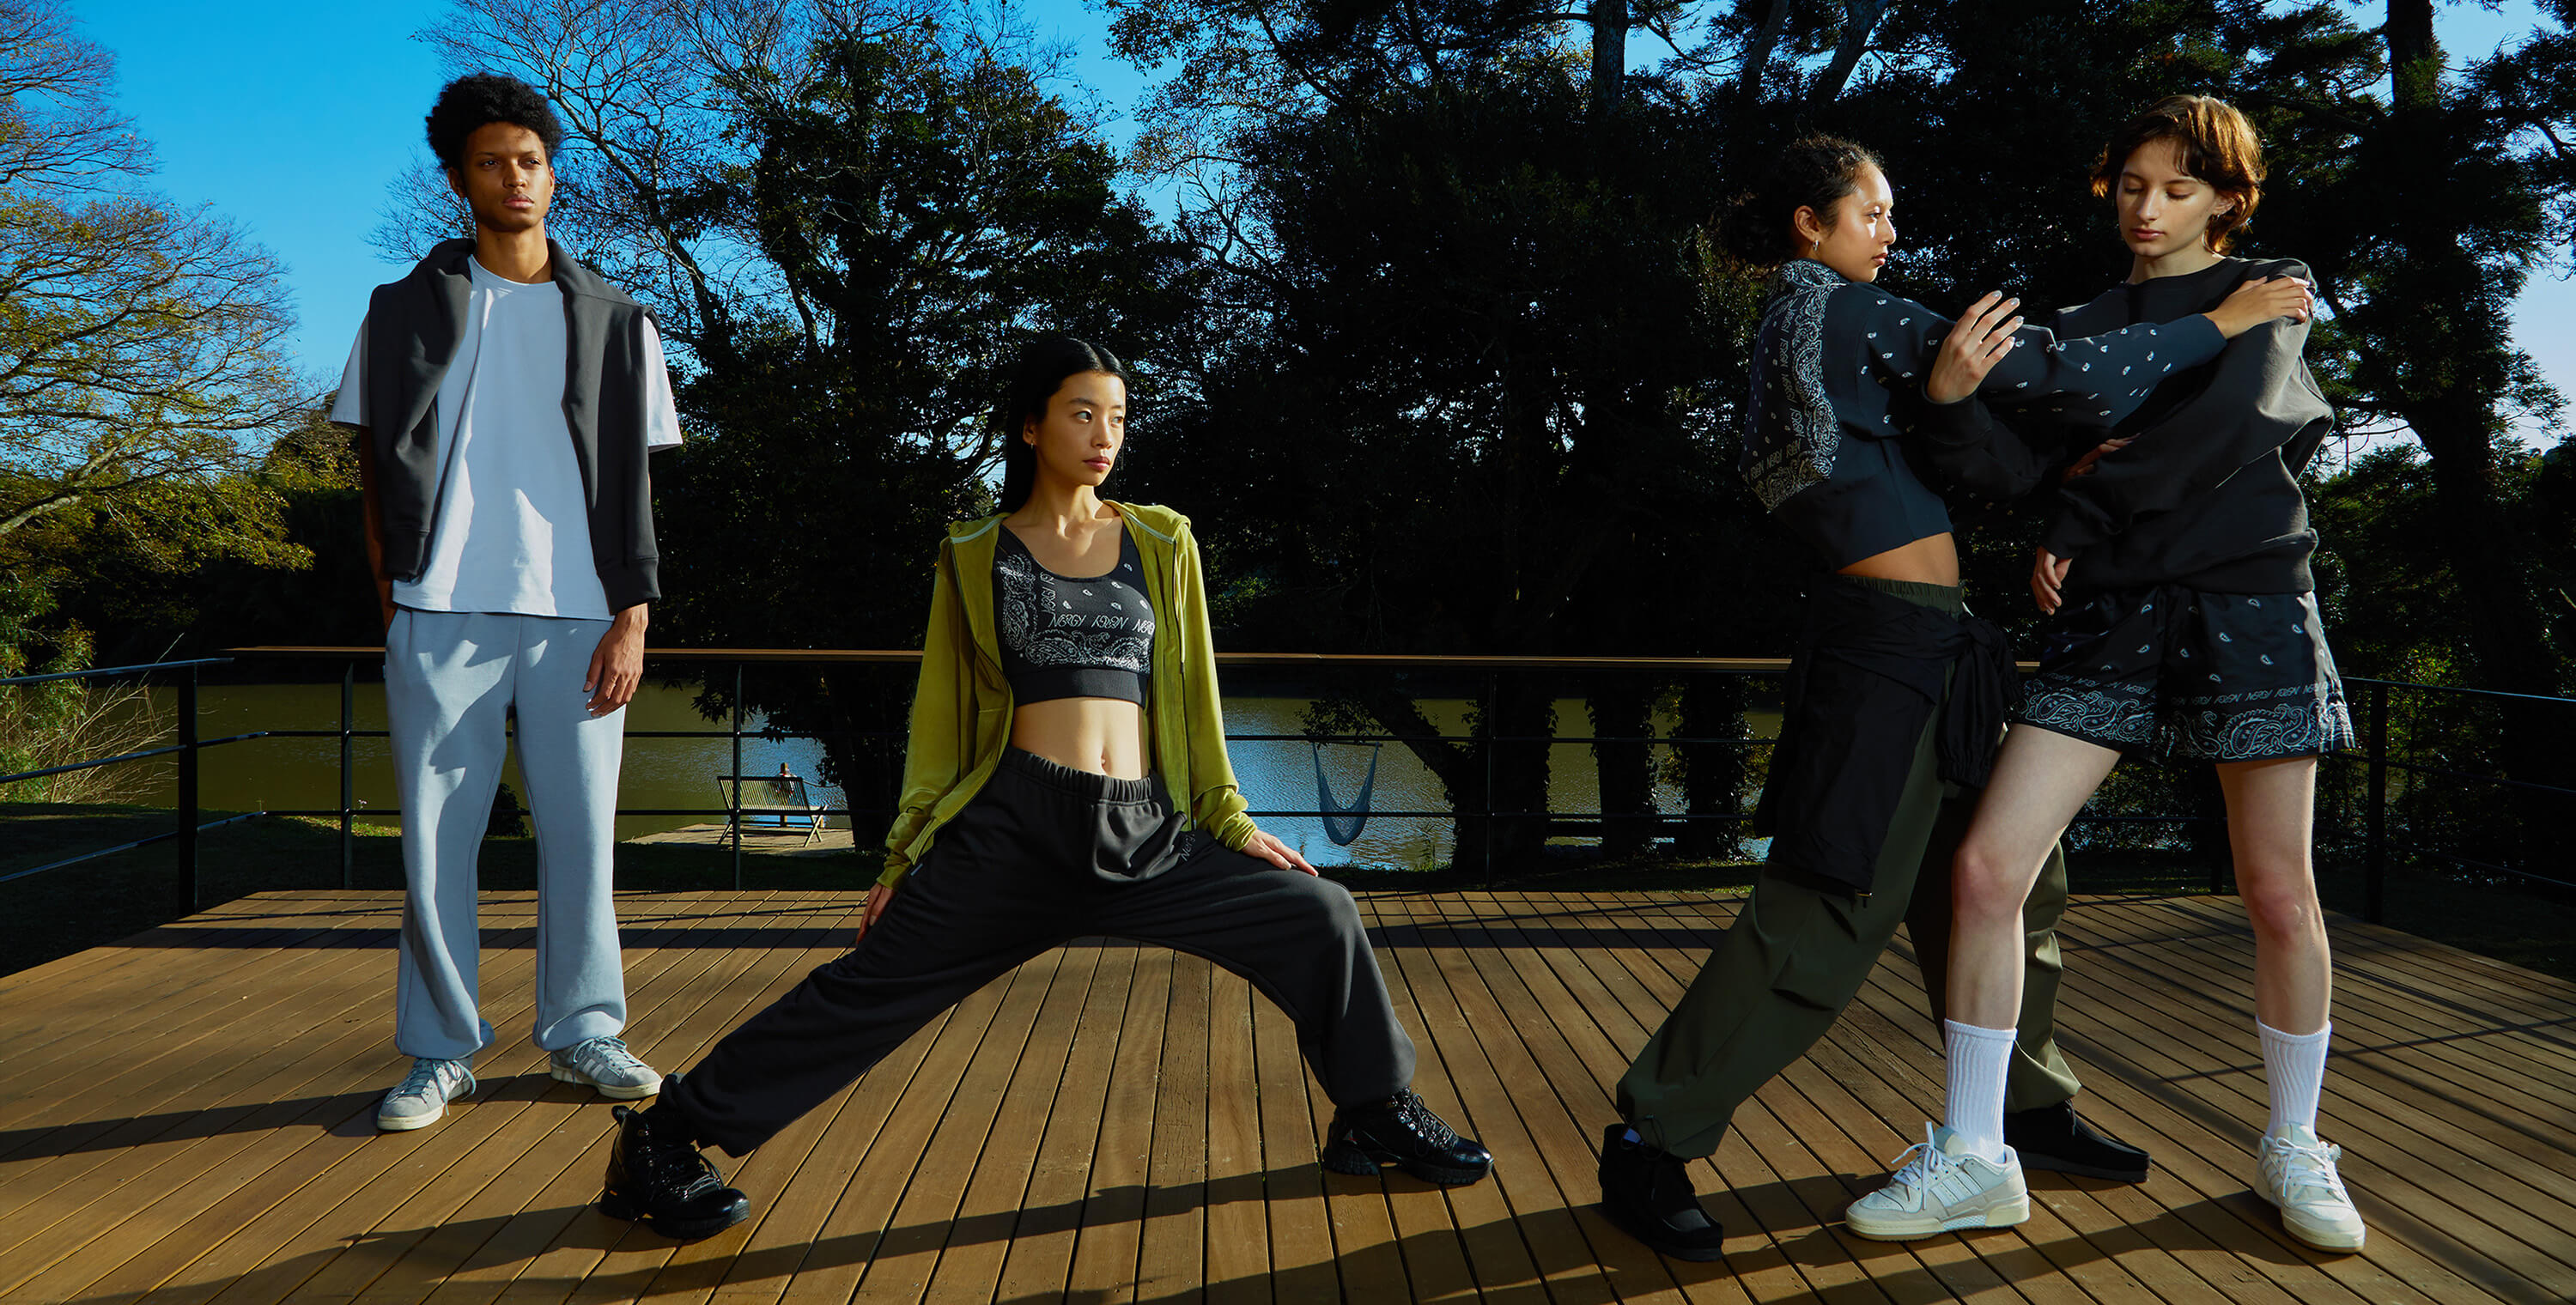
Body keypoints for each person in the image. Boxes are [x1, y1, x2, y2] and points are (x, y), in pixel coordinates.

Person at [592, 337, 1492, 1239]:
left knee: (1321, 912)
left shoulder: (1162, 540)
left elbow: (1195, 696)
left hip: (1147, 832)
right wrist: (903, 856)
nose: (1105, 436)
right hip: (1013, 830)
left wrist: (1228, 817)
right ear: (1031, 426)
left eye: (1119, 418)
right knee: (866, 987)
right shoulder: (974, 551)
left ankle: (1372, 1109)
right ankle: (663, 1136)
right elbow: (942, 717)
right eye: (1082, 414)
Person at [1595, 134, 2312, 1261]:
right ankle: (1652, 1137)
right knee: (1827, 903)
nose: (1891, 234)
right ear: (1810, 225)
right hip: (1885, 653)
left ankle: (2027, 1109)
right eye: (1872, 213)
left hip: (1940, 648)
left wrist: (1968, 419)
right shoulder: (1841, 312)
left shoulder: (1816, 333)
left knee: (2008, 886)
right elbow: (2059, 377)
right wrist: (2218, 323)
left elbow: (1996, 472)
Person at [1845, 95, 2364, 1253]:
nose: (2148, 208)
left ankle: (2296, 1143)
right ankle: (1976, 1155)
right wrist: (1950, 402)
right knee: (1986, 871)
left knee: (2278, 893)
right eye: (2132, 184)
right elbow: (2017, 462)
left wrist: (2082, 511)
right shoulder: (2079, 326)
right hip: (2113, 611)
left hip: (2249, 596)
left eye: (2178, 187)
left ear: (2228, 199)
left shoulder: (2273, 285)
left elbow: (2230, 429)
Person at [330, 75, 683, 1131]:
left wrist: (633, 613)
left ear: (552, 173)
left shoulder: (620, 319)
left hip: (582, 613)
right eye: (491, 162)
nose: (514, 178)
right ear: (458, 179)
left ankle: (583, 1032)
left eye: (529, 160)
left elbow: (636, 484)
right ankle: (439, 1051)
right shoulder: (397, 312)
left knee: (583, 840)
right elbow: (370, 467)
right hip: (440, 607)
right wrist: (393, 597)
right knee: (436, 847)